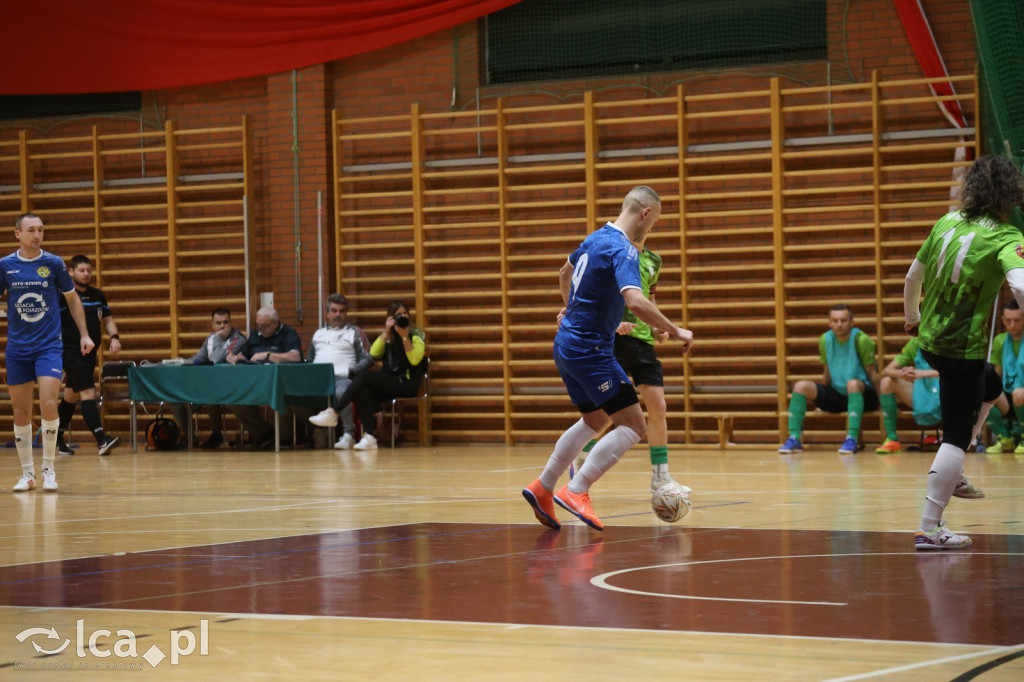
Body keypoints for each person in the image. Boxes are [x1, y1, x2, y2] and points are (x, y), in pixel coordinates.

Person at [521, 185, 693, 532]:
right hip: (591, 350)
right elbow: (636, 301)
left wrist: (573, 310)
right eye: (655, 221)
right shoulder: (623, 249)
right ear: (645, 213)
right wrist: (676, 330)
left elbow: (564, 273)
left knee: (595, 418)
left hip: (566, 344)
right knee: (634, 425)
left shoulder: (596, 237)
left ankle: (543, 486)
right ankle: (577, 490)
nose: (652, 228)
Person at [905, 154, 1024, 550]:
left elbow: (913, 276)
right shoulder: (1006, 236)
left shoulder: (947, 220)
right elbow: (1020, 286)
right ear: (1010, 191)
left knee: (991, 387)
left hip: (931, 341)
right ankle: (929, 528)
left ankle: (952, 473)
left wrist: (912, 317)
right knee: (955, 437)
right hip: (961, 349)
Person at [571, 230, 687, 495]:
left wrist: (657, 327)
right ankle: (581, 458)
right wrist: (613, 322)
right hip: (614, 341)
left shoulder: (653, 260)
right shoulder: (617, 252)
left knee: (658, 406)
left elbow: (649, 300)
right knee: (604, 414)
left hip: (643, 343)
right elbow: (601, 293)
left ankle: (660, 476)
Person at [2, 214, 94, 492]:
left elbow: (72, 299)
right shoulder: (6, 265)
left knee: (50, 404)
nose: (37, 234)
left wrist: (84, 333)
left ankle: (48, 469)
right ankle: (27, 473)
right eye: (31, 230)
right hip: (17, 348)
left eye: (40, 229)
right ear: (18, 234)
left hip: (48, 346)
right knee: (20, 410)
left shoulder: (53, 263)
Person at [310, 299, 426, 450]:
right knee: (364, 390)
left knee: (366, 377)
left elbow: (415, 360)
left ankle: (334, 412)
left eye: (405, 313)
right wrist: (386, 331)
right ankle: (370, 437)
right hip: (390, 380)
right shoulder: (389, 335)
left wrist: (405, 337)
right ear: (391, 318)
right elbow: (374, 352)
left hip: (406, 382)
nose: (403, 316)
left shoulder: (416, 335)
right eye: (399, 315)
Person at [777, 304, 880, 454]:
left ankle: (852, 439)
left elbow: (872, 374)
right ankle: (794, 438)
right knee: (800, 386)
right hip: (838, 395)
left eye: (843, 320)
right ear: (829, 323)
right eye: (835, 321)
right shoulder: (825, 339)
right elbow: (826, 372)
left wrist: (884, 402)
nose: (839, 324)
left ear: (851, 322)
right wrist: (822, 401)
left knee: (852, 384)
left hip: (864, 396)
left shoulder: (862, 340)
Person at [54, 255, 122, 457]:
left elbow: (108, 320)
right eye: (81, 270)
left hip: (89, 354)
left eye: (88, 271)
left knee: (71, 396)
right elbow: (52, 323)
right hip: (71, 352)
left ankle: (56, 439)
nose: (86, 274)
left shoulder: (98, 295)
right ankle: (102, 440)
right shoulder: (64, 296)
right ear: (71, 272)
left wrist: (114, 337)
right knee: (88, 393)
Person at [227, 306, 304, 449]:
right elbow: (243, 355)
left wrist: (268, 355)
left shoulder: (288, 334)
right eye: (258, 325)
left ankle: (284, 438)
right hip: (254, 381)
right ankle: (264, 434)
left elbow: (296, 357)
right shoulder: (256, 334)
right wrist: (234, 358)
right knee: (233, 399)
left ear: (275, 323)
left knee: (281, 396)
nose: (260, 329)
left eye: (264, 326)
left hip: (279, 382)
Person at [168, 307, 245, 448]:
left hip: (227, 385)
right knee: (173, 397)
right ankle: (189, 436)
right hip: (207, 383)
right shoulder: (210, 339)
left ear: (231, 323)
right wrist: (183, 362)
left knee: (210, 395)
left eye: (226, 322)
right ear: (212, 325)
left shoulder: (238, 339)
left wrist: (217, 338)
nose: (222, 326)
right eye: (218, 323)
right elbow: (199, 358)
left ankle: (216, 434)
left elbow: (217, 359)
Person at [305, 294, 373, 448]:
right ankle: (317, 431)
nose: (338, 315)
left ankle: (348, 434)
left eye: (341, 311)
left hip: (343, 378)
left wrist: (351, 370)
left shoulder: (355, 332)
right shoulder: (318, 334)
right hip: (318, 379)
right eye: (334, 311)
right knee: (295, 394)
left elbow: (367, 359)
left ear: (346, 313)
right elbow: (309, 359)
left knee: (343, 392)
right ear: (327, 313)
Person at [874, 336, 942, 454]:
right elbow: (886, 371)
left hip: (946, 394)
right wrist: (903, 373)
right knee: (886, 382)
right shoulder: (915, 343)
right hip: (924, 393)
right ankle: (892, 439)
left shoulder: (948, 339)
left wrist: (922, 374)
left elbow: (957, 371)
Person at [983, 299, 1024, 453]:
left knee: (1018, 393)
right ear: (1003, 320)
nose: (1012, 325)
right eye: (1008, 320)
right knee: (981, 394)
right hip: (1009, 393)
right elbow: (997, 376)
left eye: (1017, 320)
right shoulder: (1000, 340)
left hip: (1021, 393)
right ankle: (1005, 438)